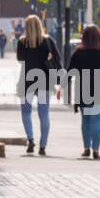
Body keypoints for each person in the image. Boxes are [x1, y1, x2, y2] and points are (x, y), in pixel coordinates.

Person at [15, 14, 62, 155]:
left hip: (27, 81)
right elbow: (58, 60)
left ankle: (30, 139)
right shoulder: (47, 41)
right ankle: (43, 145)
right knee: (44, 114)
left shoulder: (22, 42)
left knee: (26, 112)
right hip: (44, 81)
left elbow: (20, 59)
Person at [68, 26, 100, 159]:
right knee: (98, 120)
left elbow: (70, 71)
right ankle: (96, 150)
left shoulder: (78, 52)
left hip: (84, 90)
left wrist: (62, 86)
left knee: (86, 120)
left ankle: (86, 148)